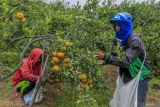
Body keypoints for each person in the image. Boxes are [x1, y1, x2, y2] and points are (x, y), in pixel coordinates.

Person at [96, 12, 151, 107]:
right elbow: (114, 56)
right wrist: (103, 61)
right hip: (127, 74)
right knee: (122, 102)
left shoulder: (134, 41)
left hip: (139, 76)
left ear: (125, 25)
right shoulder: (118, 39)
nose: (116, 28)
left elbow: (126, 62)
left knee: (136, 103)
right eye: (115, 25)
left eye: (119, 25)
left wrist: (106, 57)